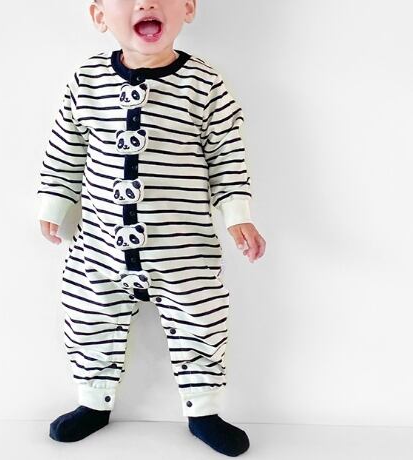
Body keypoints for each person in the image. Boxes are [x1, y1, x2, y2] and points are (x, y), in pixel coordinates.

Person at [37, 0, 266, 456]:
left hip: (184, 249)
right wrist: (55, 202)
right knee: (87, 314)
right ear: (99, 16)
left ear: (188, 7)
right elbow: (66, 145)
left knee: (202, 318)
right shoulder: (87, 80)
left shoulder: (205, 84)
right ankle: (93, 401)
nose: (146, 3)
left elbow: (226, 152)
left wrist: (237, 213)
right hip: (99, 246)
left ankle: (203, 410)